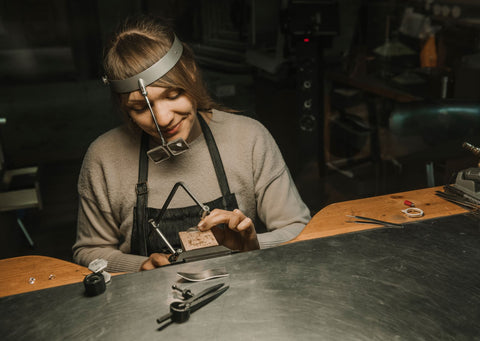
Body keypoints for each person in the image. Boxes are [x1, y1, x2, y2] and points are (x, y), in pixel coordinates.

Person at [72, 15, 311, 273]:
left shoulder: (249, 138)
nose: (163, 119)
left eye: (173, 94)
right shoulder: (104, 157)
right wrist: (140, 266)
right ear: (124, 108)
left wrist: (251, 244)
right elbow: (89, 251)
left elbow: (299, 229)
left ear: (192, 75)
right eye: (141, 107)